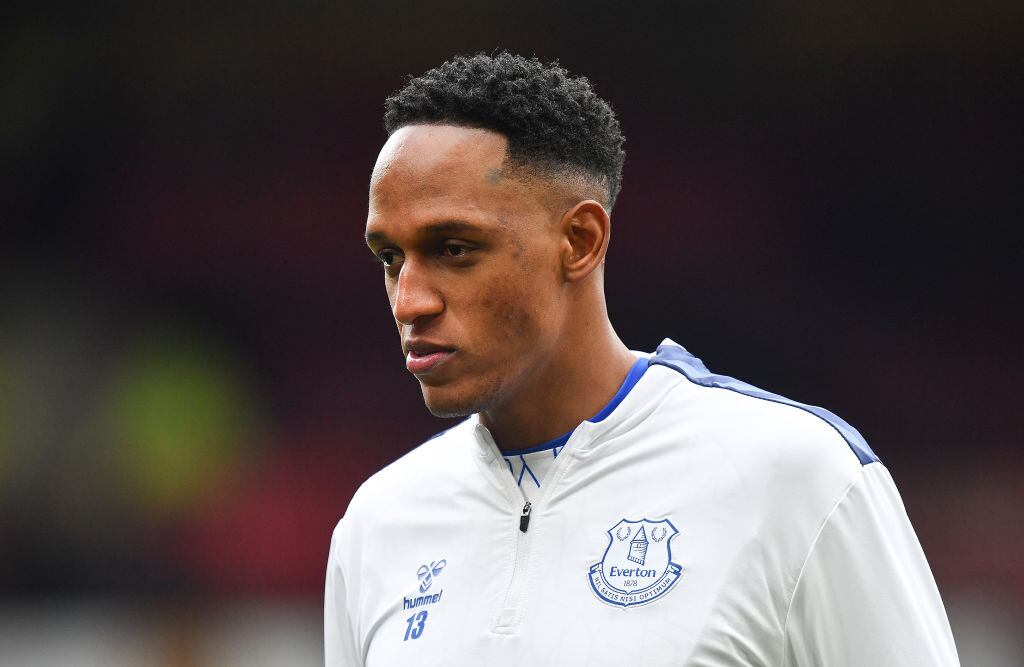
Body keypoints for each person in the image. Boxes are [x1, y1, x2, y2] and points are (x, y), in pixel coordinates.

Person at [324, 52, 959, 666]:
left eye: (454, 249)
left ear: (580, 241)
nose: (409, 301)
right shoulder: (378, 524)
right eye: (390, 259)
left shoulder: (798, 475)